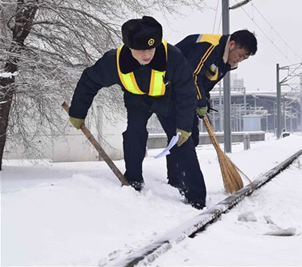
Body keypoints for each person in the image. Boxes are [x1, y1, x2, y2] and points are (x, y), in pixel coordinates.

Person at [68, 16, 206, 209]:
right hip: (136, 100)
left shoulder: (172, 56)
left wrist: (184, 125)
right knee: (134, 133)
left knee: (181, 140)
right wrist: (77, 112)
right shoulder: (114, 61)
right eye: (141, 50)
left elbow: (186, 89)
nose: (147, 54)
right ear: (129, 47)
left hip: (169, 99)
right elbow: (89, 81)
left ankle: (195, 195)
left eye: (151, 48)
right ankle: (133, 179)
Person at [175, 30, 257, 145]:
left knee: (191, 140)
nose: (240, 60)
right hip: (170, 90)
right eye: (240, 55)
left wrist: (205, 100)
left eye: (244, 58)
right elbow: (192, 75)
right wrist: (201, 101)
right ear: (232, 44)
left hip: (184, 95)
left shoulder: (225, 62)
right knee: (184, 142)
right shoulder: (211, 47)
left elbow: (203, 82)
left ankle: (182, 160)